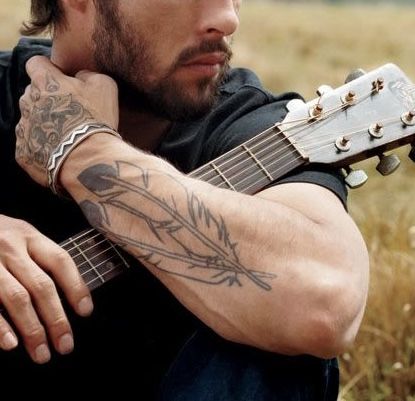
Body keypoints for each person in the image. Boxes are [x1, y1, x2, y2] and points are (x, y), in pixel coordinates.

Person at [0, 0, 369, 399]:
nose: (228, 18)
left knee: (275, 339)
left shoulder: (255, 129)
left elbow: (323, 301)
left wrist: (87, 151)